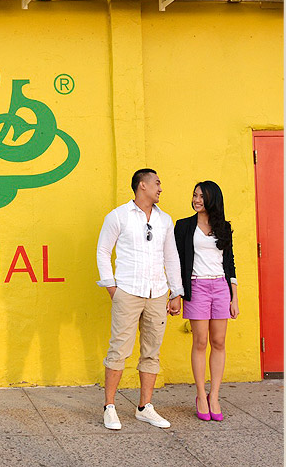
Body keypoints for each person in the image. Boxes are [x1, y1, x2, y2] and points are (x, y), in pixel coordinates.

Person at [96, 169, 184, 430]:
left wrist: (176, 291)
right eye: (157, 182)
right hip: (128, 291)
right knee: (119, 349)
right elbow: (103, 251)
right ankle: (109, 407)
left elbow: (171, 257)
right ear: (142, 186)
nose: (160, 187)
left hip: (157, 293)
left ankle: (145, 407)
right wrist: (112, 287)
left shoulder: (164, 220)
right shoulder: (118, 216)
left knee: (152, 352)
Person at [174, 181, 238, 422]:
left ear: (212, 199)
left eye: (201, 196)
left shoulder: (224, 227)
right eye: (194, 195)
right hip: (197, 286)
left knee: (219, 341)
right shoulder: (183, 226)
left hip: (220, 287)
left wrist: (234, 297)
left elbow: (230, 264)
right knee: (200, 341)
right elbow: (177, 262)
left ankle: (215, 395)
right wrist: (176, 293)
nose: (196, 199)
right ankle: (201, 394)